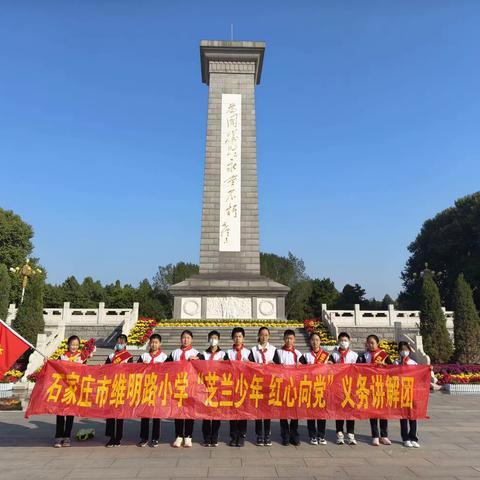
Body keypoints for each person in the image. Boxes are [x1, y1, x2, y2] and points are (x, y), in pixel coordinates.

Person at [357, 334, 393, 446]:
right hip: (369, 386)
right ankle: (375, 435)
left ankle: (384, 435)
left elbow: (392, 370)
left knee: (383, 412)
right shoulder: (364, 356)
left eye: (372, 342)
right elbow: (358, 369)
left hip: (382, 386)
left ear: (377, 343)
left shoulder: (384, 355)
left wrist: (385, 365)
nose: (371, 345)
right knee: (372, 412)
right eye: (369, 343)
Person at [248, 326, 280, 446]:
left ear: (269, 336)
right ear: (258, 336)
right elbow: (249, 365)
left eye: (266, 335)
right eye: (262, 334)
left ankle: (267, 434)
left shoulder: (273, 349)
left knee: (267, 410)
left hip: (269, 383)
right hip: (257, 383)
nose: (264, 337)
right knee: (258, 411)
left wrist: (274, 364)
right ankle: (259, 435)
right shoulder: (253, 350)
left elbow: (279, 365)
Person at [168, 330, 199, 448]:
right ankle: (179, 435)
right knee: (178, 411)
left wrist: (197, 360)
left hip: (190, 386)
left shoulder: (196, 353)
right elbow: (166, 366)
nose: (185, 340)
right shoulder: (175, 353)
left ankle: (188, 436)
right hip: (177, 386)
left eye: (188, 338)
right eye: (183, 338)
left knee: (189, 411)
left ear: (192, 339)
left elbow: (203, 367)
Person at [54, 335, 86, 448]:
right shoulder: (62, 356)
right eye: (72, 344)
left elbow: (86, 372)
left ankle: (67, 437)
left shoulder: (81, 358)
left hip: (74, 389)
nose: (74, 347)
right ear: (68, 345)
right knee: (60, 413)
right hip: (62, 388)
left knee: (70, 413)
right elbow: (54, 368)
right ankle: (58, 437)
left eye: (76, 345)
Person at [137, 333, 168, 447]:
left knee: (156, 414)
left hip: (158, 388)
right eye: (152, 342)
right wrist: (142, 366)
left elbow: (170, 371)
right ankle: (143, 437)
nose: (154, 344)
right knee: (144, 414)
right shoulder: (144, 356)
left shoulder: (164, 357)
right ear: (149, 343)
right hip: (145, 388)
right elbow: (135, 370)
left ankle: (155, 438)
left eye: (156, 342)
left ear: (160, 344)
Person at [300, 332, 330, 445]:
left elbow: (333, 369)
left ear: (320, 341)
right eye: (313, 340)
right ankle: (312, 435)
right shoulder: (306, 356)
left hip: (322, 387)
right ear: (310, 342)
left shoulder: (326, 356)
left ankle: (321, 435)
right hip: (310, 388)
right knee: (311, 413)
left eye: (317, 340)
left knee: (322, 413)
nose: (315, 342)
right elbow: (298, 369)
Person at [329, 332, 358, 445]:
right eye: (341, 340)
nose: (343, 342)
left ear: (349, 341)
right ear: (338, 341)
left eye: (345, 340)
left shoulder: (354, 356)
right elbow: (329, 367)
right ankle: (339, 434)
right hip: (338, 387)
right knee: (339, 411)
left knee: (350, 411)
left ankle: (351, 434)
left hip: (350, 387)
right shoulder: (334, 355)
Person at [105, 334, 134, 447]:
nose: (119, 344)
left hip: (122, 386)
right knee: (111, 412)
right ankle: (111, 437)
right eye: (118, 342)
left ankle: (118, 437)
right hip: (111, 386)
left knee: (120, 413)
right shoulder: (111, 356)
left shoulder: (128, 357)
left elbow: (131, 371)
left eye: (122, 342)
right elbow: (105, 369)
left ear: (126, 344)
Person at [225, 327, 251, 447]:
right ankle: (233, 436)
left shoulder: (248, 353)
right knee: (233, 412)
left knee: (243, 412)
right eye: (235, 336)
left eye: (240, 336)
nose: (238, 338)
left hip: (244, 386)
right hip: (232, 385)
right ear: (232, 338)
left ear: (243, 338)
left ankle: (241, 436)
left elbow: (253, 369)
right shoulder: (228, 353)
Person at [199, 330, 225, 447]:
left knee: (216, 414)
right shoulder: (203, 354)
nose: (213, 340)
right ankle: (206, 437)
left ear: (218, 339)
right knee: (205, 414)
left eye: (215, 338)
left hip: (218, 387)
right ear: (208, 339)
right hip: (205, 387)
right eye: (211, 338)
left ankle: (214, 436)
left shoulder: (223, 354)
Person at [277, 329, 302, 446]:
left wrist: (300, 366)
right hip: (282, 387)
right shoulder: (278, 352)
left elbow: (306, 370)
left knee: (295, 412)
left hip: (295, 387)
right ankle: (285, 435)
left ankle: (294, 434)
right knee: (283, 413)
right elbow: (273, 367)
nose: (288, 340)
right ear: (283, 339)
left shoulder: (299, 354)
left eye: (291, 338)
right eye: (287, 338)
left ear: (294, 340)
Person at [395, 341, 420, 448]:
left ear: (409, 350)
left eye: (406, 349)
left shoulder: (413, 363)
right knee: (403, 417)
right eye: (401, 350)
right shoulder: (396, 363)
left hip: (411, 392)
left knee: (413, 416)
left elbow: (419, 376)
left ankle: (413, 437)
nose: (404, 352)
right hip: (400, 392)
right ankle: (405, 438)